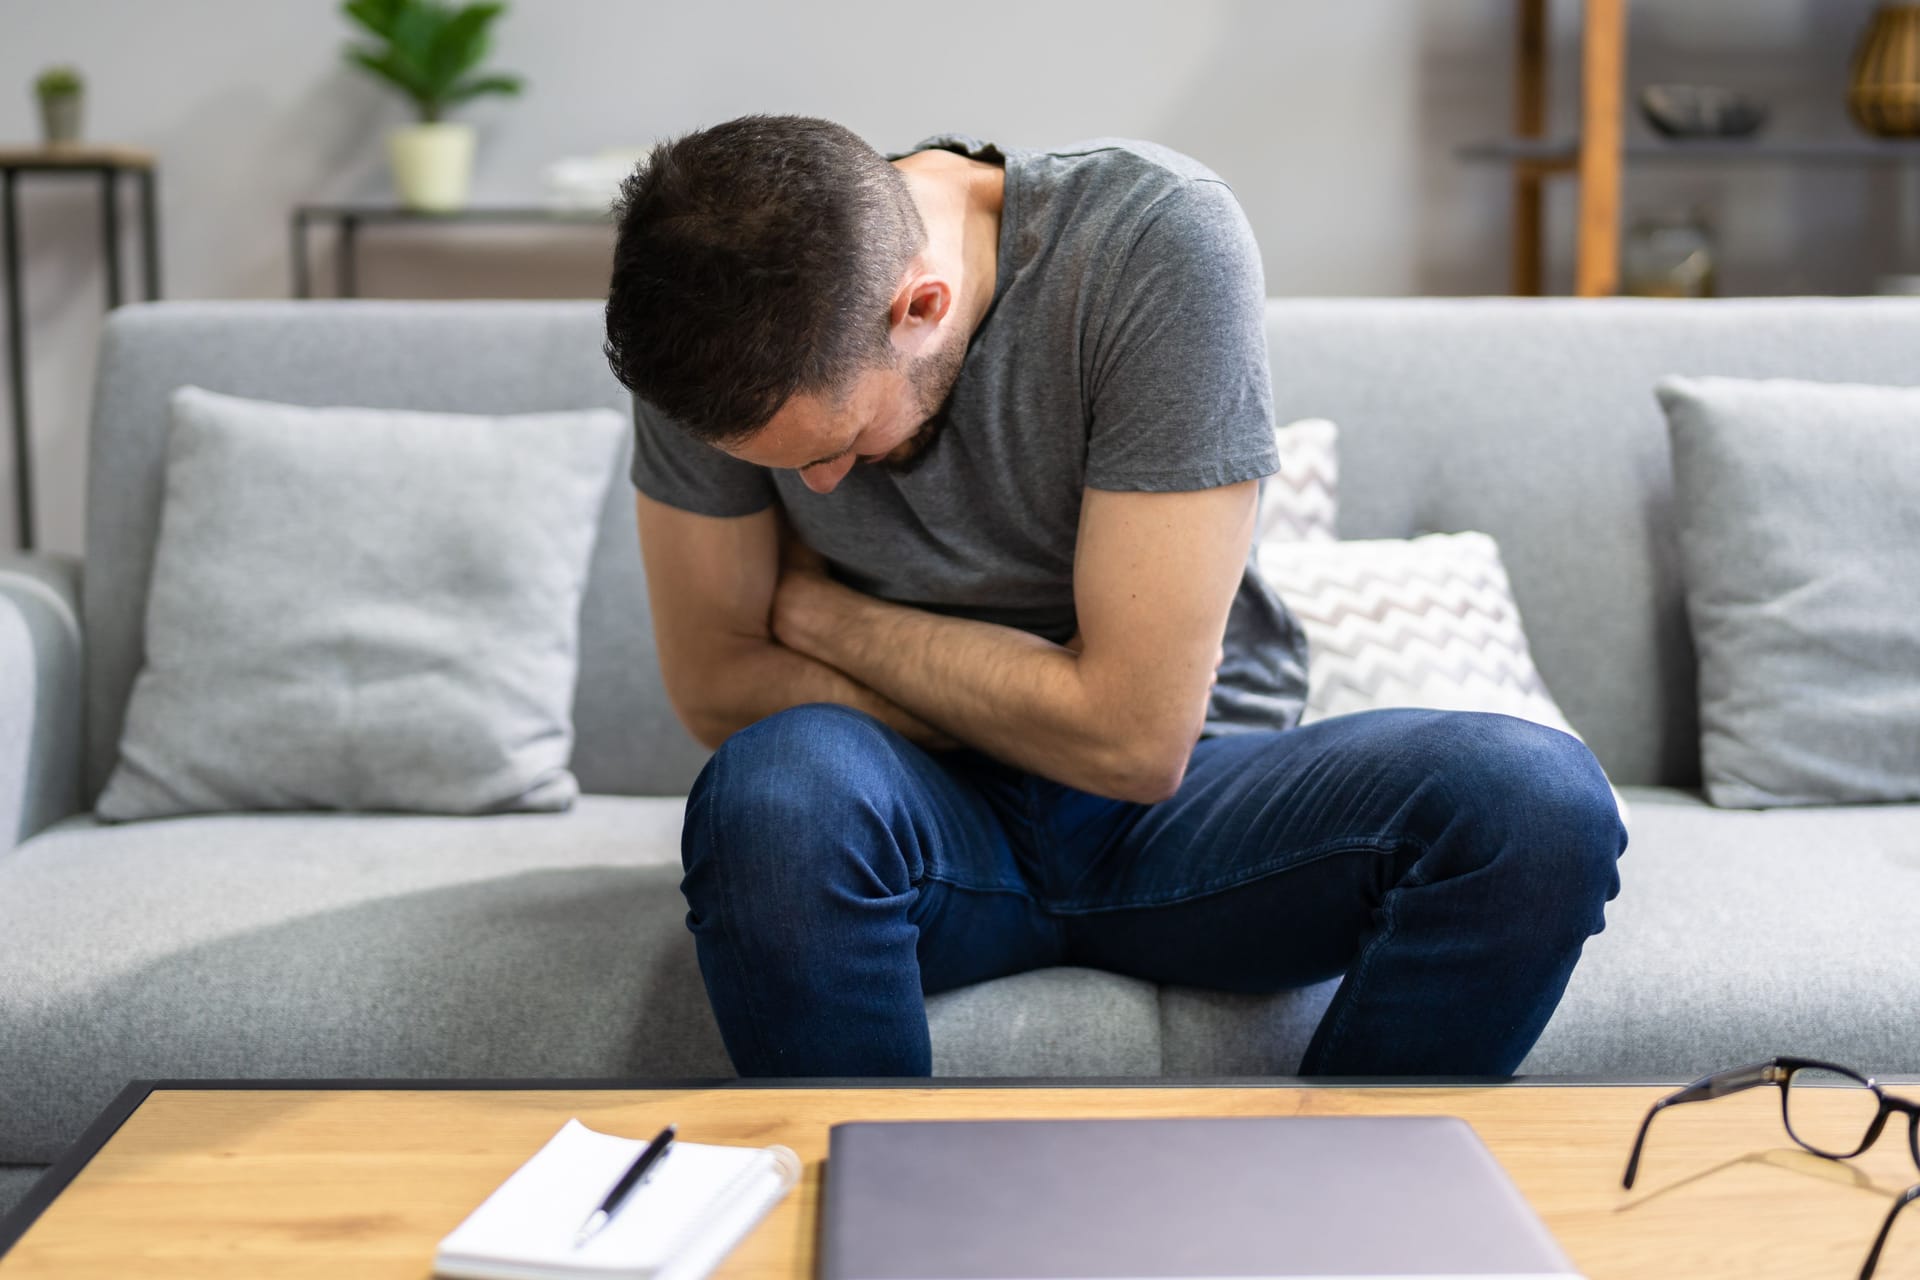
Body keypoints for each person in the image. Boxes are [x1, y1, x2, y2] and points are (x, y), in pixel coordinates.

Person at [601, 114, 1626, 1079]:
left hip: (1190, 806)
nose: (818, 485)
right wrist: (1051, 705)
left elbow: (1137, 740)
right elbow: (719, 680)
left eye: (838, 445)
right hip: (906, 808)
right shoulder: (713, 320)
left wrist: (822, 614)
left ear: (921, 306)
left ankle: (1327, 1219)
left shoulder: (1153, 241)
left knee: (1537, 806)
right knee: (769, 798)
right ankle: (879, 1224)